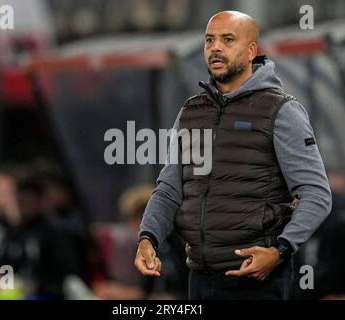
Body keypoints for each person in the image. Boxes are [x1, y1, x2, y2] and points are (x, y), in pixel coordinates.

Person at [134, 11, 332, 300]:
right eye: (209, 40)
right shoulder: (191, 112)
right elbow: (169, 190)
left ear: (252, 50)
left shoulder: (281, 110)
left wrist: (279, 251)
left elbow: (316, 193)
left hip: (256, 281)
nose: (215, 47)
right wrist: (147, 238)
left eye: (227, 40)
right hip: (199, 279)